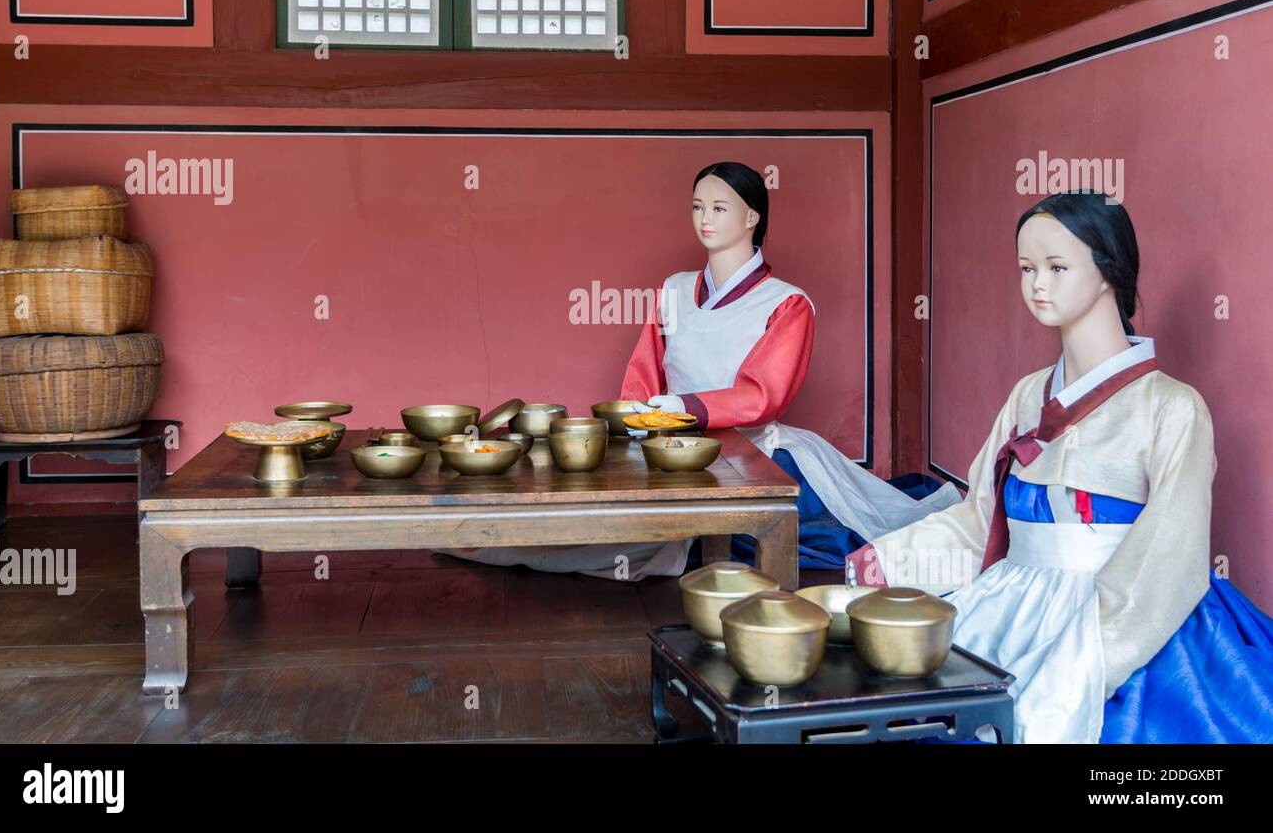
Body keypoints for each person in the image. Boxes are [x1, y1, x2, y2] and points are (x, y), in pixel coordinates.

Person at [846, 191, 1273, 743]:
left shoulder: (1171, 406)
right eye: (1026, 268)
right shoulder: (1027, 394)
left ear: (1107, 272)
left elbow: (1169, 554)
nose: (1036, 284)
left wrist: (1086, 657)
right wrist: (891, 559)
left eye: (1056, 267)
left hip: (1125, 616)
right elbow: (982, 519)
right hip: (1012, 602)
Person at [442, 162, 959, 579]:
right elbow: (645, 368)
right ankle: (487, 533)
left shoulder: (787, 304)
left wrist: (688, 407)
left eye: (718, 206)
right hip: (666, 444)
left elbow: (764, 395)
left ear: (752, 216)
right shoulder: (673, 288)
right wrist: (635, 421)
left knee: (804, 536)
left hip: (756, 451)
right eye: (696, 206)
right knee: (603, 521)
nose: (703, 218)